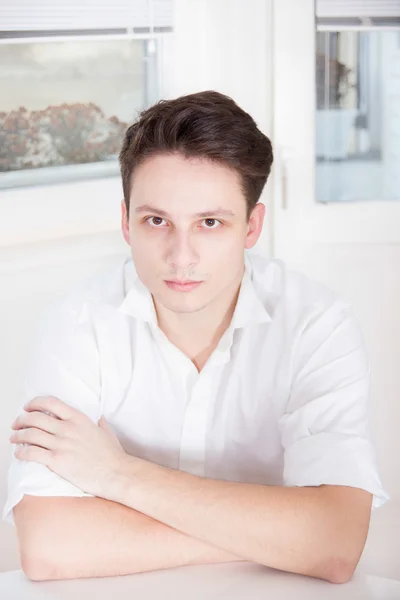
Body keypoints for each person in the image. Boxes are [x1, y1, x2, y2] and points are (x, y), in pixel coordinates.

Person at [3, 90, 389, 584]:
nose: (180, 256)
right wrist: (279, 536)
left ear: (251, 226)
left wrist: (116, 474)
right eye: (156, 221)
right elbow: (49, 547)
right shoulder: (77, 324)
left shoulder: (317, 324)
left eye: (210, 223)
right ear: (126, 222)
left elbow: (335, 542)